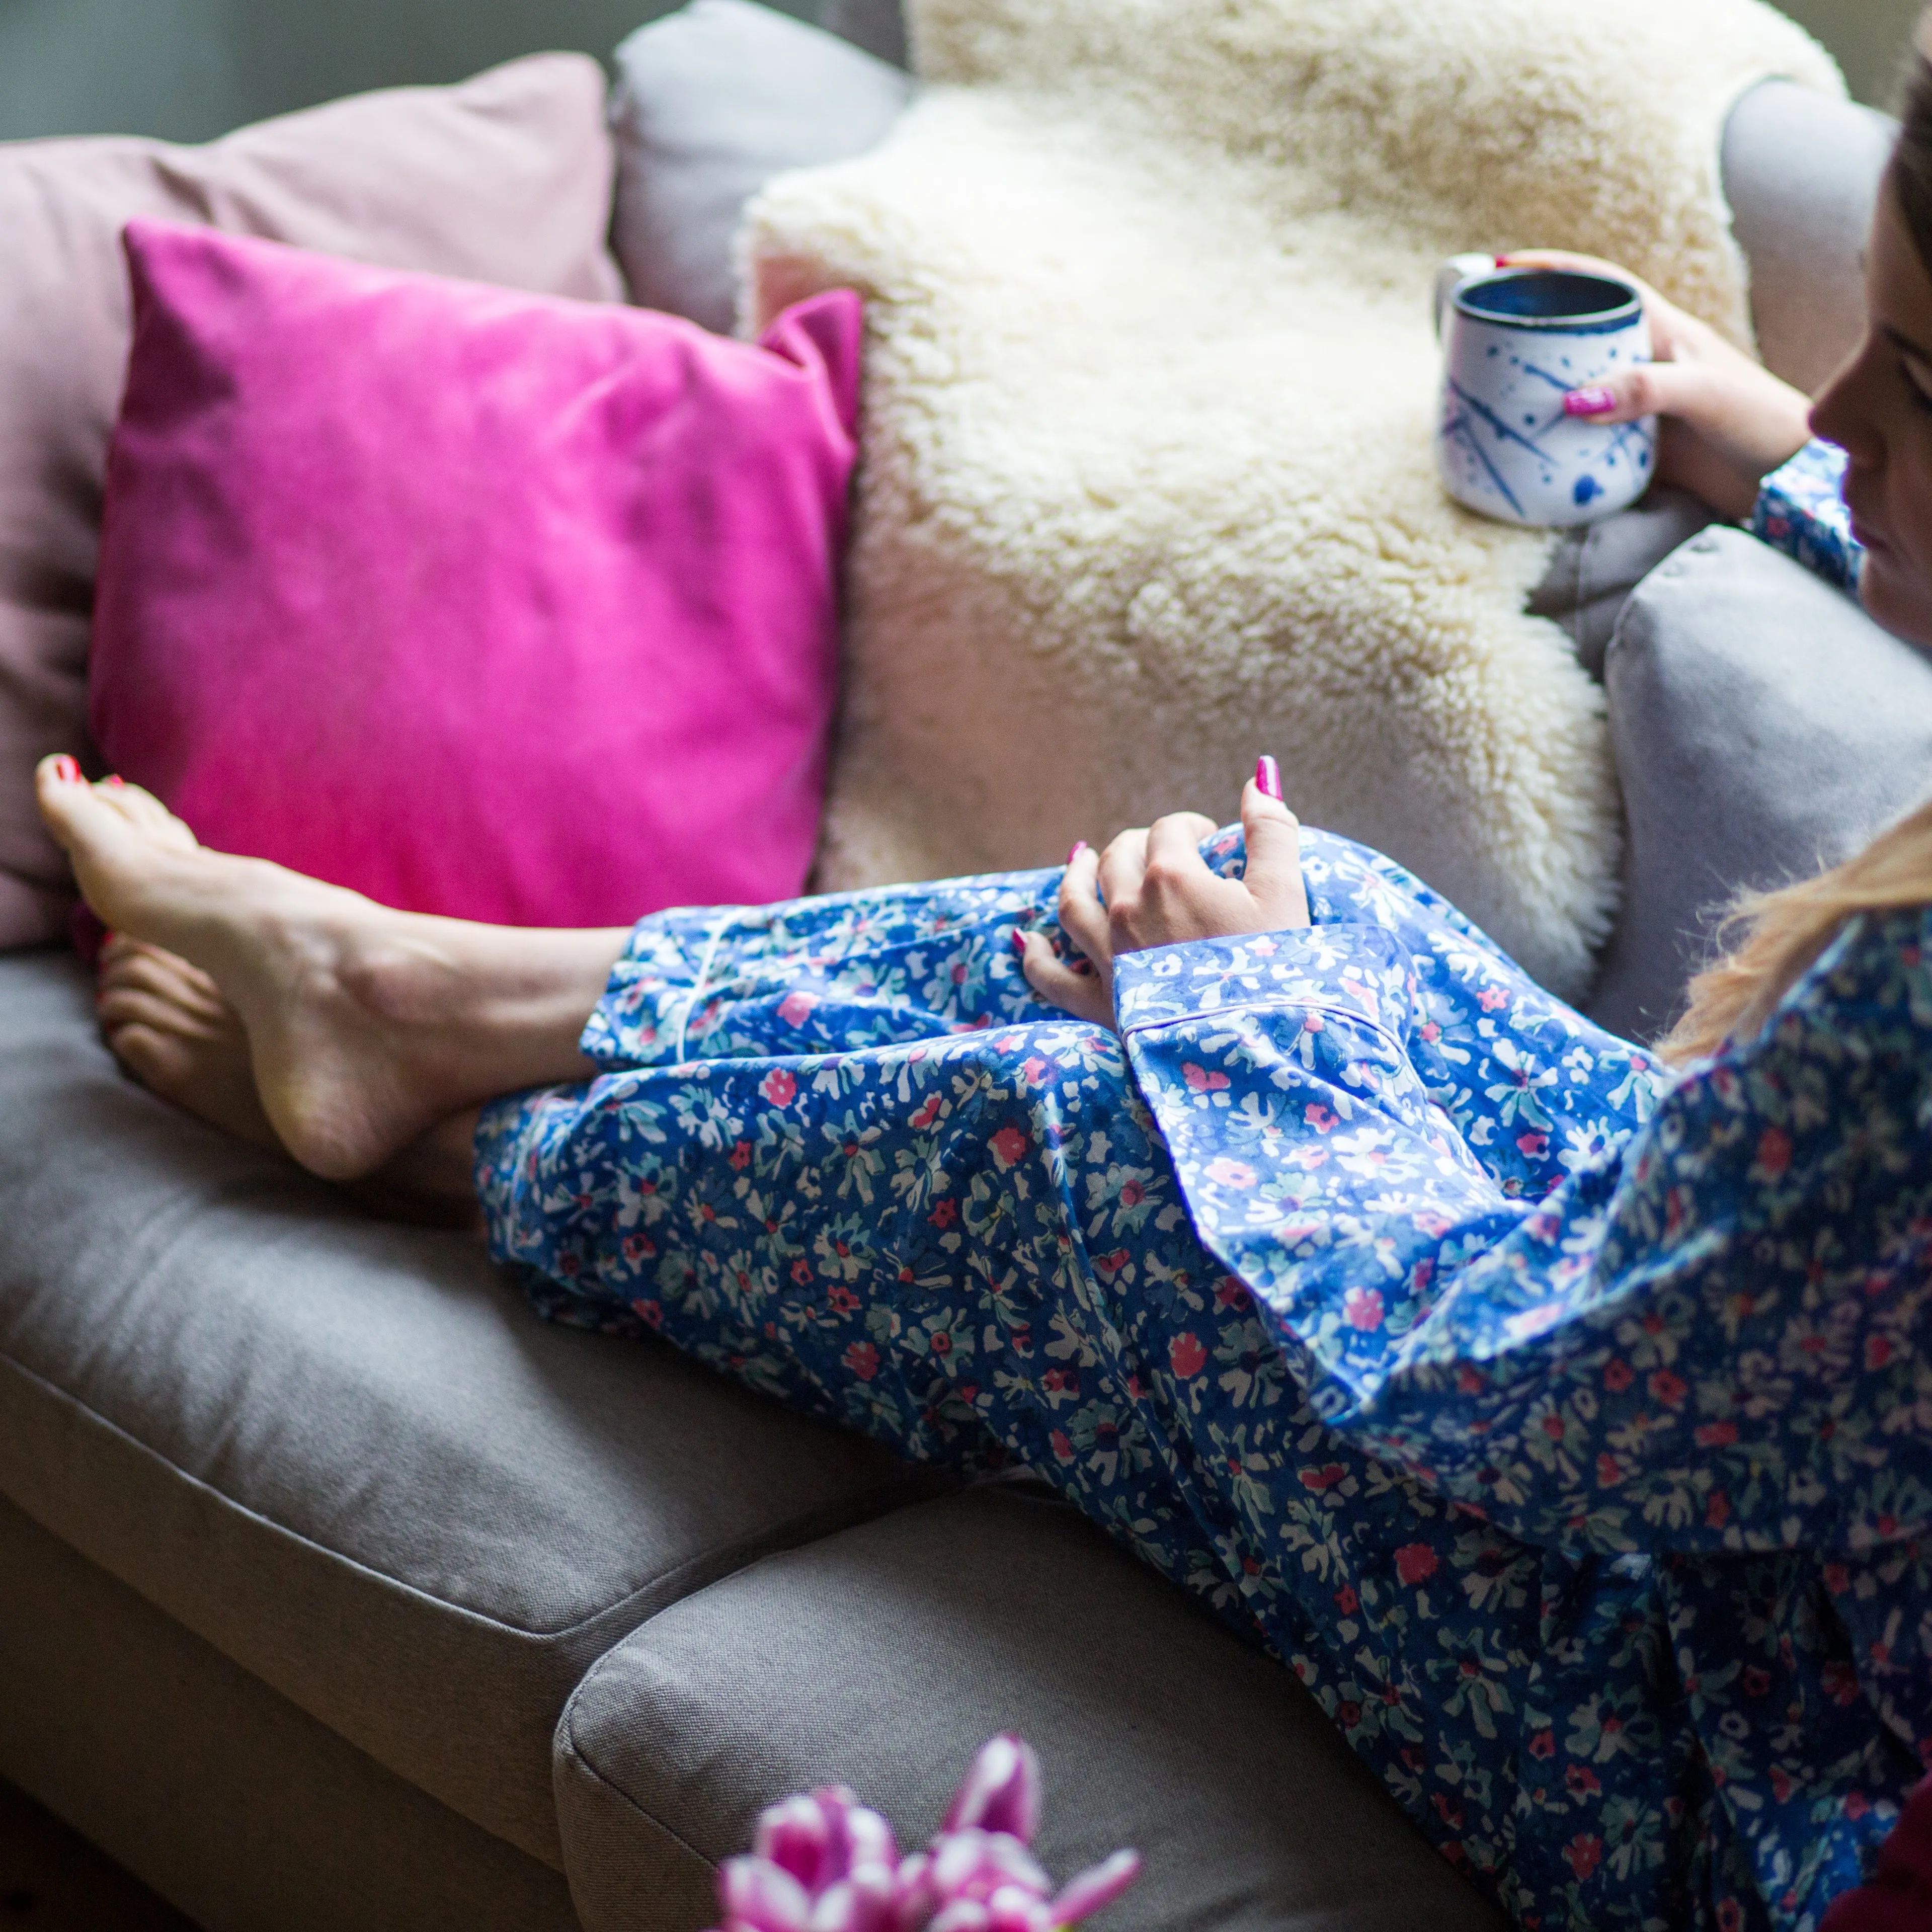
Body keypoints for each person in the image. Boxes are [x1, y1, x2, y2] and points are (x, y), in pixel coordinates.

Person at [32, 32, 1932, 1932]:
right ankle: (421, 993)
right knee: (1309, 901)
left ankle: (467, 1144)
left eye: (1913, 376)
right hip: (1716, 1506)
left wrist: (1249, 1024)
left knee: (1110, 1136)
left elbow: (1527, 1410)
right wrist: (1778, 444)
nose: (1852, 415)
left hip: (1719, 1774)